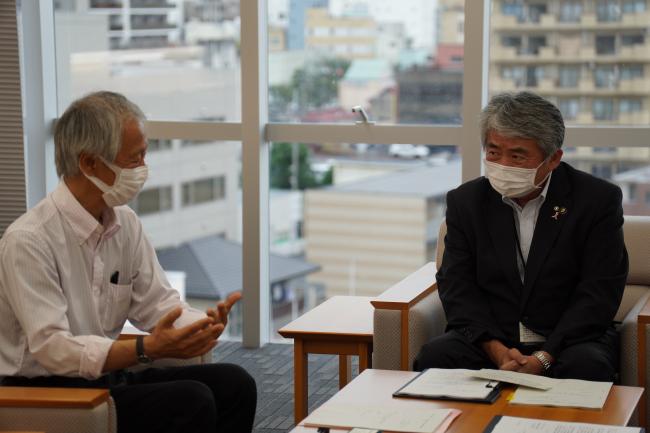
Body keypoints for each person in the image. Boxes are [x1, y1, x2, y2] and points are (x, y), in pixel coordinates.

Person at [0, 91, 257, 433]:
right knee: (191, 400)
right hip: (43, 388)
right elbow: (53, 348)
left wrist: (199, 326)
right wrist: (145, 347)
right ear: (90, 163)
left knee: (235, 383)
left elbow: (159, 305)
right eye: (134, 159)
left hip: (102, 377)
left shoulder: (125, 223)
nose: (143, 169)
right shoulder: (29, 240)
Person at [414, 91, 628, 381]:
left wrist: (544, 357)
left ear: (553, 159)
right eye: (493, 152)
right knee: (435, 357)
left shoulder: (596, 200)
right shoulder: (466, 202)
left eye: (517, 155)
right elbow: (456, 284)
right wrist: (497, 350)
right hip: (492, 336)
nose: (502, 164)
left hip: (568, 339)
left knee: (587, 366)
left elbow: (600, 290)